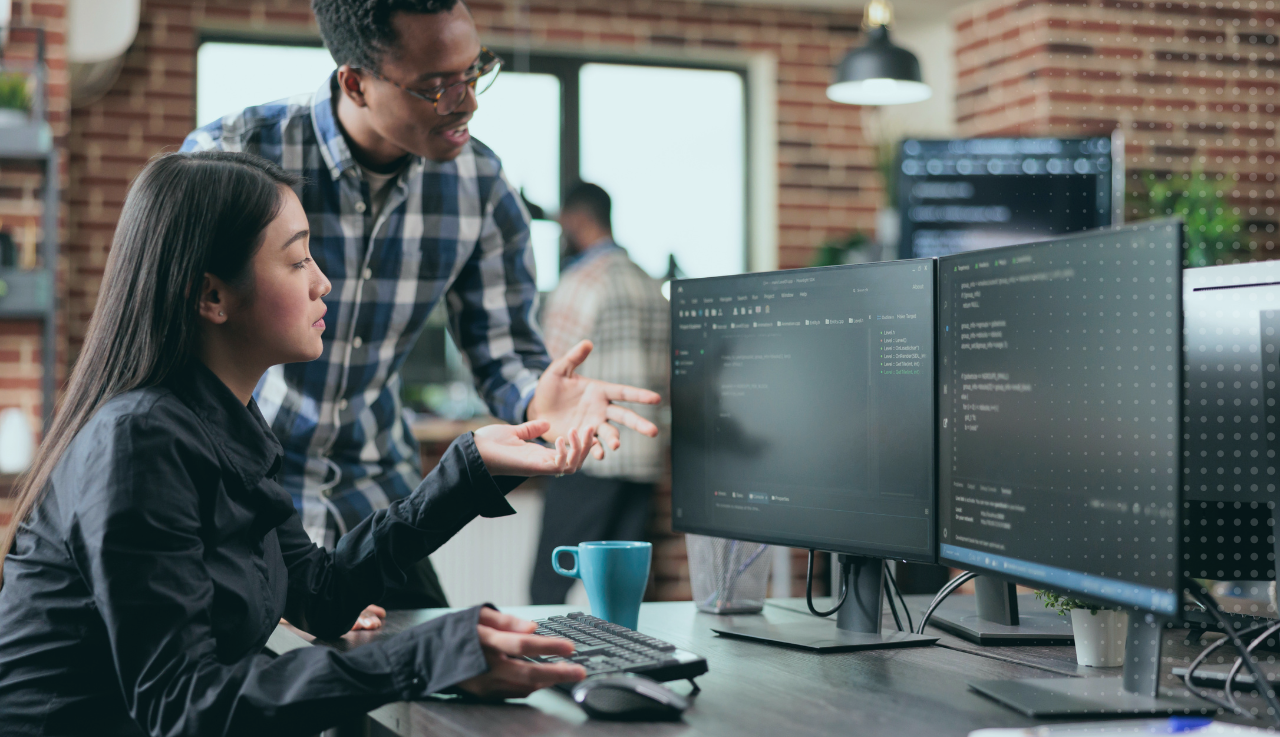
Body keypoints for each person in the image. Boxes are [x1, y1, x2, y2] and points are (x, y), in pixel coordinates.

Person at [0, 151, 593, 736]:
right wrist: (423, 656)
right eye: (297, 260)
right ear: (212, 297)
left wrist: (470, 471)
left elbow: (319, 592)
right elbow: (183, 708)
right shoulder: (138, 441)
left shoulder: (224, 420)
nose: (323, 282)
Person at [181, 0, 660, 612]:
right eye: (436, 86)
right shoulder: (235, 156)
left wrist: (543, 401)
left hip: (375, 486)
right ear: (355, 81)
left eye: (475, 70)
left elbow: (503, 351)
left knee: (441, 682)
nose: (467, 101)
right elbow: (181, 352)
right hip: (243, 486)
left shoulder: (481, 186)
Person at [530, 183, 670, 605]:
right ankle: (625, 666)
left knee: (547, 586)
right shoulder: (647, 282)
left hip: (589, 454)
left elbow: (551, 370)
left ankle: (544, 669)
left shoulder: (581, 282)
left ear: (577, 219)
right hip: (643, 454)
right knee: (622, 592)